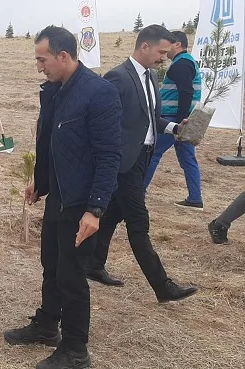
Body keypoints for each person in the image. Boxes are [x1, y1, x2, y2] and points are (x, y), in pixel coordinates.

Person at [3, 26, 122, 369]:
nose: (39, 66)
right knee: (52, 264)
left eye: (43, 60)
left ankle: (75, 350)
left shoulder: (98, 93)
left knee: (71, 275)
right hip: (59, 196)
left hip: (81, 202)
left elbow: (109, 156)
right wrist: (41, 183)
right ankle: (46, 325)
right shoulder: (56, 91)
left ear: (64, 56)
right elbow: (52, 144)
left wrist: (95, 209)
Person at [88, 25, 197, 303]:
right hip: (122, 162)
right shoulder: (118, 77)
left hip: (141, 158)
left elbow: (149, 118)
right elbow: (105, 120)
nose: (164, 57)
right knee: (138, 222)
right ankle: (163, 286)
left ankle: (93, 264)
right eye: (161, 52)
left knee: (113, 213)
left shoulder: (151, 76)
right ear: (144, 47)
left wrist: (174, 128)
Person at [143, 31, 204, 210]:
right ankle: (195, 198)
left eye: (169, 44)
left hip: (174, 119)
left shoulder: (181, 64)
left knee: (153, 153)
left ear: (177, 44)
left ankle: (138, 192)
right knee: (188, 158)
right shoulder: (187, 62)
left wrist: (179, 124)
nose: (165, 49)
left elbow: (186, 92)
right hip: (184, 118)